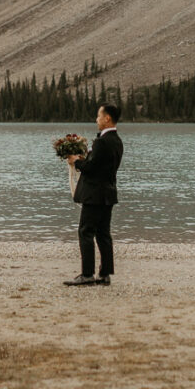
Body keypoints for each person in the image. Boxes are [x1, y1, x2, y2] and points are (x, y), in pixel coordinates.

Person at [65, 104, 124, 286]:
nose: (96, 119)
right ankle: (105, 274)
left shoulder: (102, 142)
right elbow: (101, 165)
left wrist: (76, 162)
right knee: (103, 233)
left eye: (98, 116)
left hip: (94, 195)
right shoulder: (117, 141)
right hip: (108, 193)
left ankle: (87, 274)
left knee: (86, 232)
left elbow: (92, 168)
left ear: (107, 118)